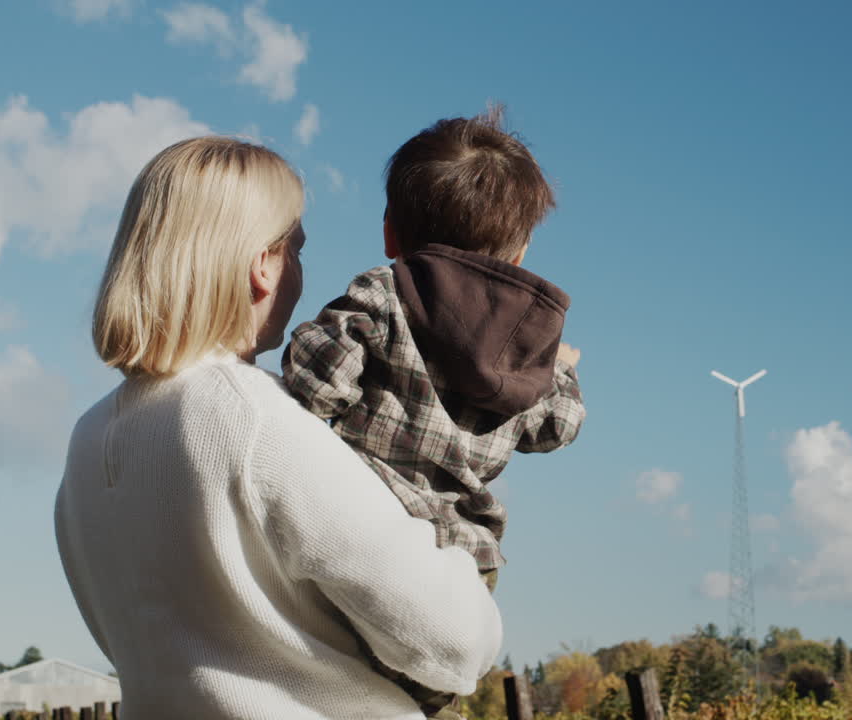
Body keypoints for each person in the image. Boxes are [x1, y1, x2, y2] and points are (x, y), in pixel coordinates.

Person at [54, 136, 501, 720]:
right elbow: (454, 643)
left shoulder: (87, 440)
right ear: (261, 266)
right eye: (297, 249)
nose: (299, 272)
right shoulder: (254, 419)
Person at [281, 107, 585, 715]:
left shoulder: (384, 294)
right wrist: (564, 369)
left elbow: (316, 383)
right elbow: (556, 428)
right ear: (521, 251)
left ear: (391, 231)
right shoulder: (530, 343)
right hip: (466, 571)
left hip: (363, 543)